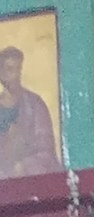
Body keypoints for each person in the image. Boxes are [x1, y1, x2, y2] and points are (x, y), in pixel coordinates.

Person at [0, 44, 60, 179]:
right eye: (9, 69)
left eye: (18, 69)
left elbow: (46, 150)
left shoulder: (34, 105)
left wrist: (24, 166)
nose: (15, 75)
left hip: (33, 181)